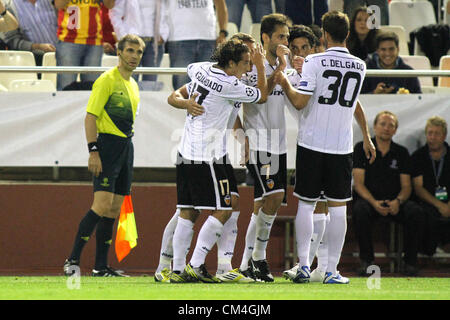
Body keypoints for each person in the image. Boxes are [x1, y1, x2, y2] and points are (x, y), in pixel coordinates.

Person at [274, 10, 376, 284]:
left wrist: (284, 81)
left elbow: (299, 102)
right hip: (341, 147)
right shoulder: (360, 65)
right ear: (348, 34)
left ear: (325, 35)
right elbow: (354, 103)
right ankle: (331, 270)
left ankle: (304, 266)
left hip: (312, 143)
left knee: (306, 205)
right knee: (338, 209)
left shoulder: (314, 61)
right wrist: (366, 135)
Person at [153, 33, 257, 284]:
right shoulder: (230, 84)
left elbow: (179, 94)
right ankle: (195, 264)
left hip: (189, 150)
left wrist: (185, 103)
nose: (249, 66)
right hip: (206, 155)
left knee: (188, 210)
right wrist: (265, 67)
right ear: (230, 63)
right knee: (224, 208)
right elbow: (260, 95)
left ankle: (178, 270)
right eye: (246, 61)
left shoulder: (199, 69)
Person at [63, 34, 145, 277]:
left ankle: (100, 266)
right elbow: (90, 117)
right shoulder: (106, 80)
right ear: (119, 53)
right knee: (100, 206)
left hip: (125, 147)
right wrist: (93, 150)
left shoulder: (133, 84)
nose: (134, 56)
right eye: (130, 51)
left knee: (114, 208)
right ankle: (72, 260)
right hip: (107, 147)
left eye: (139, 52)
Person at [237, 13, 291, 283]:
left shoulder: (283, 66)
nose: (285, 41)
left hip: (279, 144)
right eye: (281, 36)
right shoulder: (251, 68)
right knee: (275, 196)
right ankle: (259, 257)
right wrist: (277, 69)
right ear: (266, 37)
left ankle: (247, 264)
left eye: (287, 37)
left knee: (262, 206)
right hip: (260, 141)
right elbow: (260, 99)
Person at [280, 24, 330, 283]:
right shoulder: (287, 74)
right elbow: (295, 99)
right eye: (294, 49)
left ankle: (313, 266)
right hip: (309, 142)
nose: (298, 53)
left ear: (315, 48)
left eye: (304, 48)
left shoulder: (323, 69)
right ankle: (314, 266)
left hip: (327, 144)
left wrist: (365, 135)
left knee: (319, 204)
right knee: (316, 204)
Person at [353, 111, 425, 276]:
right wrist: (374, 203)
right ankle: (367, 262)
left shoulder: (402, 152)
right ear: (375, 127)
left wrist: (398, 202)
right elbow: (358, 184)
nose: (386, 128)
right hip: (370, 202)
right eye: (383, 124)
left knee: (415, 212)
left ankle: (410, 263)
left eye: (391, 125)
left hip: (395, 203)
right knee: (360, 211)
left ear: (395, 130)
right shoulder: (361, 148)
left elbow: (407, 186)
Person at [54, 0, 115, 90]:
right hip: (69, 39)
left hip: (95, 41)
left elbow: (110, 5)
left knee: (92, 88)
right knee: (66, 87)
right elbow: (59, 4)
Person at [167, 0, 228, 90]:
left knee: (209, 85)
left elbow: (221, 4)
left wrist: (223, 33)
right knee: (181, 85)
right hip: (180, 37)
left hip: (208, 38)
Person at [412, 116, 450, 258]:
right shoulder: (418, 156)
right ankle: (429, 252)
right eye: (430, 133)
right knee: (424, 214)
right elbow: (418, 188)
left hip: (448, 202)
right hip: (427, 202)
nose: (432, 137)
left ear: (444, 136)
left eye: (437, 134)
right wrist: (441, 206)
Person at [110, 0, 169, 85]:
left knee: (151, 83)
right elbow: (115, 13)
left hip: (154, 43)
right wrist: (124, 36)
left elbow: (167, 12)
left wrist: (164, 34)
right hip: (133, 41)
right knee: (129, 80)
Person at [3, 0, 57, 66]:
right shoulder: (9, 6)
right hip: (34, 62)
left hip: (64, 53)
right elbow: (13, 42)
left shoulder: (51, 1)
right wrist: (38, 47)